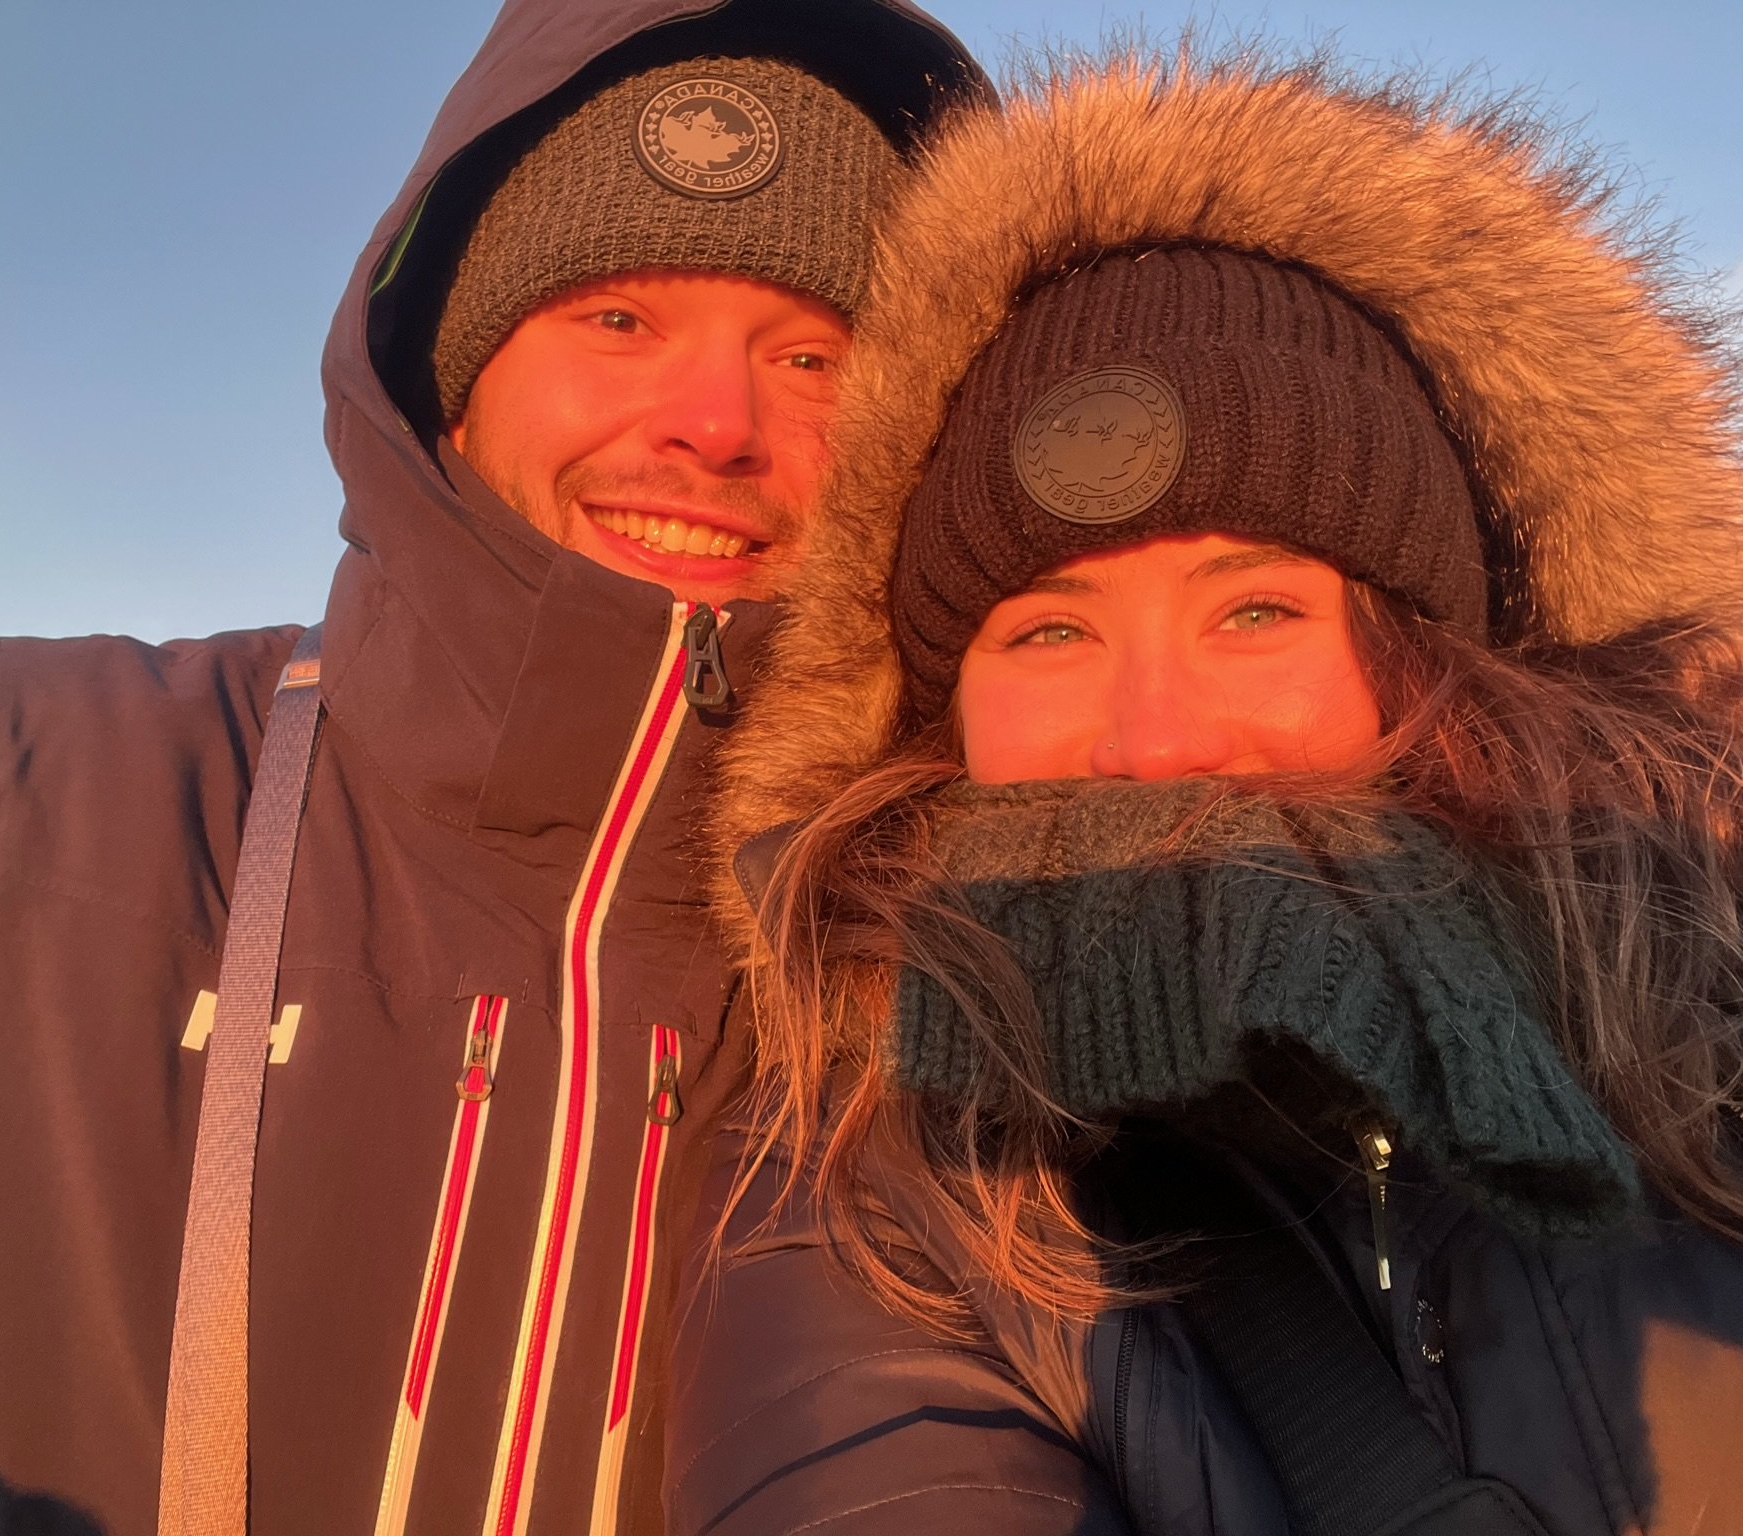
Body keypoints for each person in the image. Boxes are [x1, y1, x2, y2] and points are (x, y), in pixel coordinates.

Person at [0, 2, 987, 1532]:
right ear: (450, 374)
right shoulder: (5, 776)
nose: (715, 424)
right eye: (617, 320)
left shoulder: (943, 936)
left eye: (814, 353)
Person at [669, 43, 1742, 1535]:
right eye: (1049, 632)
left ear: (1435, 658)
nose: (1155, 741)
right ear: (936, 718)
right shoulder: (876, 1199)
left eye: (1256, 610)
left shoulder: (1703, 1023)